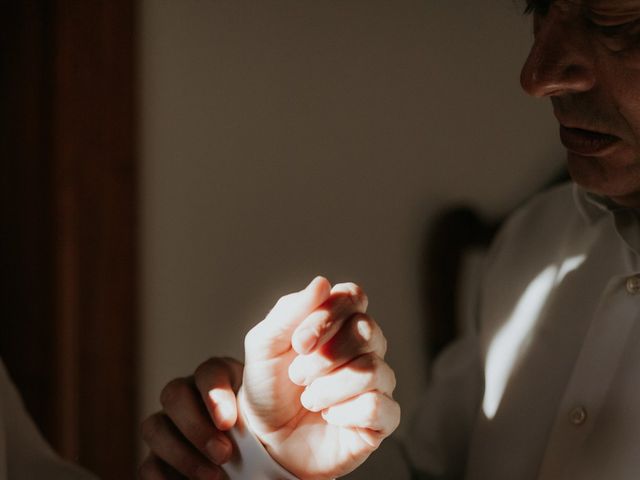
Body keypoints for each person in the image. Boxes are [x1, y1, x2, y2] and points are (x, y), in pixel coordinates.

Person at [138, 0, 640, 479]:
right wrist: (274, 458)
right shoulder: (538, 240)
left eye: (616, 25)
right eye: (540, 7)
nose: (537, 76)